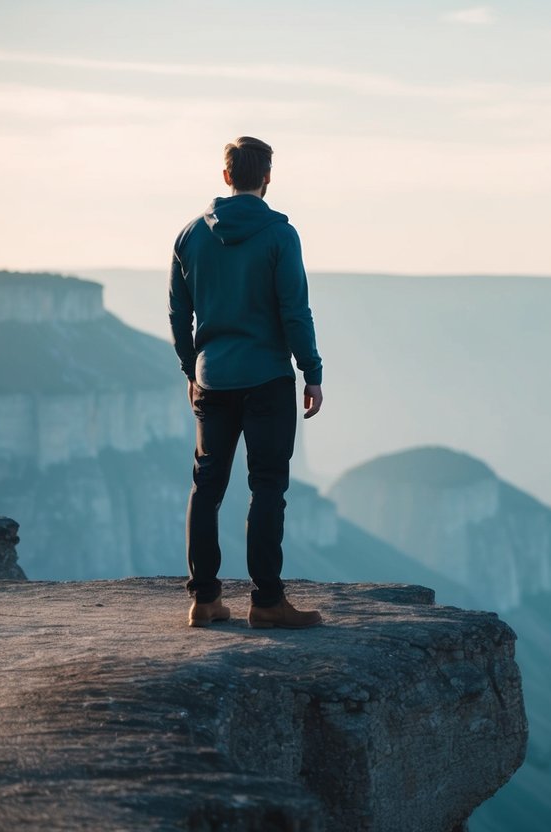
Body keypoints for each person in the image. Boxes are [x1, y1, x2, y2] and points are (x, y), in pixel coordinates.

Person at [169, 136, 324, 630]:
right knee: (267, 489)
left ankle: (205, 599)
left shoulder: (189, 237)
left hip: (211, 380)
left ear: (226, 176)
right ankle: (267, 602)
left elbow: (179, 314)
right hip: (267, 380)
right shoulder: (281, 236)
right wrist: (312, 372)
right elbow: (294, 312)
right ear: (268, 178)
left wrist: (189, 368)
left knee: (207, 487)